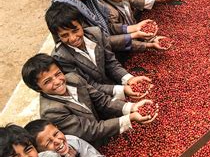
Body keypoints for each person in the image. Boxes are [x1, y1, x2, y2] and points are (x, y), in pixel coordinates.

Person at [21, 54, 157, 146]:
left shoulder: (74, 78)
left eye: (58, 74)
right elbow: (89, 131)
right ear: (38, 88)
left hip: (104, 129)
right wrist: (130, 118)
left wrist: (132, 107)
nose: (57, 81)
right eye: (47, 81)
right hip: (90, 144)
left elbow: (101, 100)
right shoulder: (51, 111)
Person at [45, 2, 158, 97]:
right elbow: (88, 85)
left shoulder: (96, 34)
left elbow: (111, 63)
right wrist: (121, 90)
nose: (73, 38)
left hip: (110, 86)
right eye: (65, 35)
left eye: (75, 30)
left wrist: (129, 79)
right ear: (57, 36)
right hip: (94, 97)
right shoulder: (61, 57)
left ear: (82, 24)